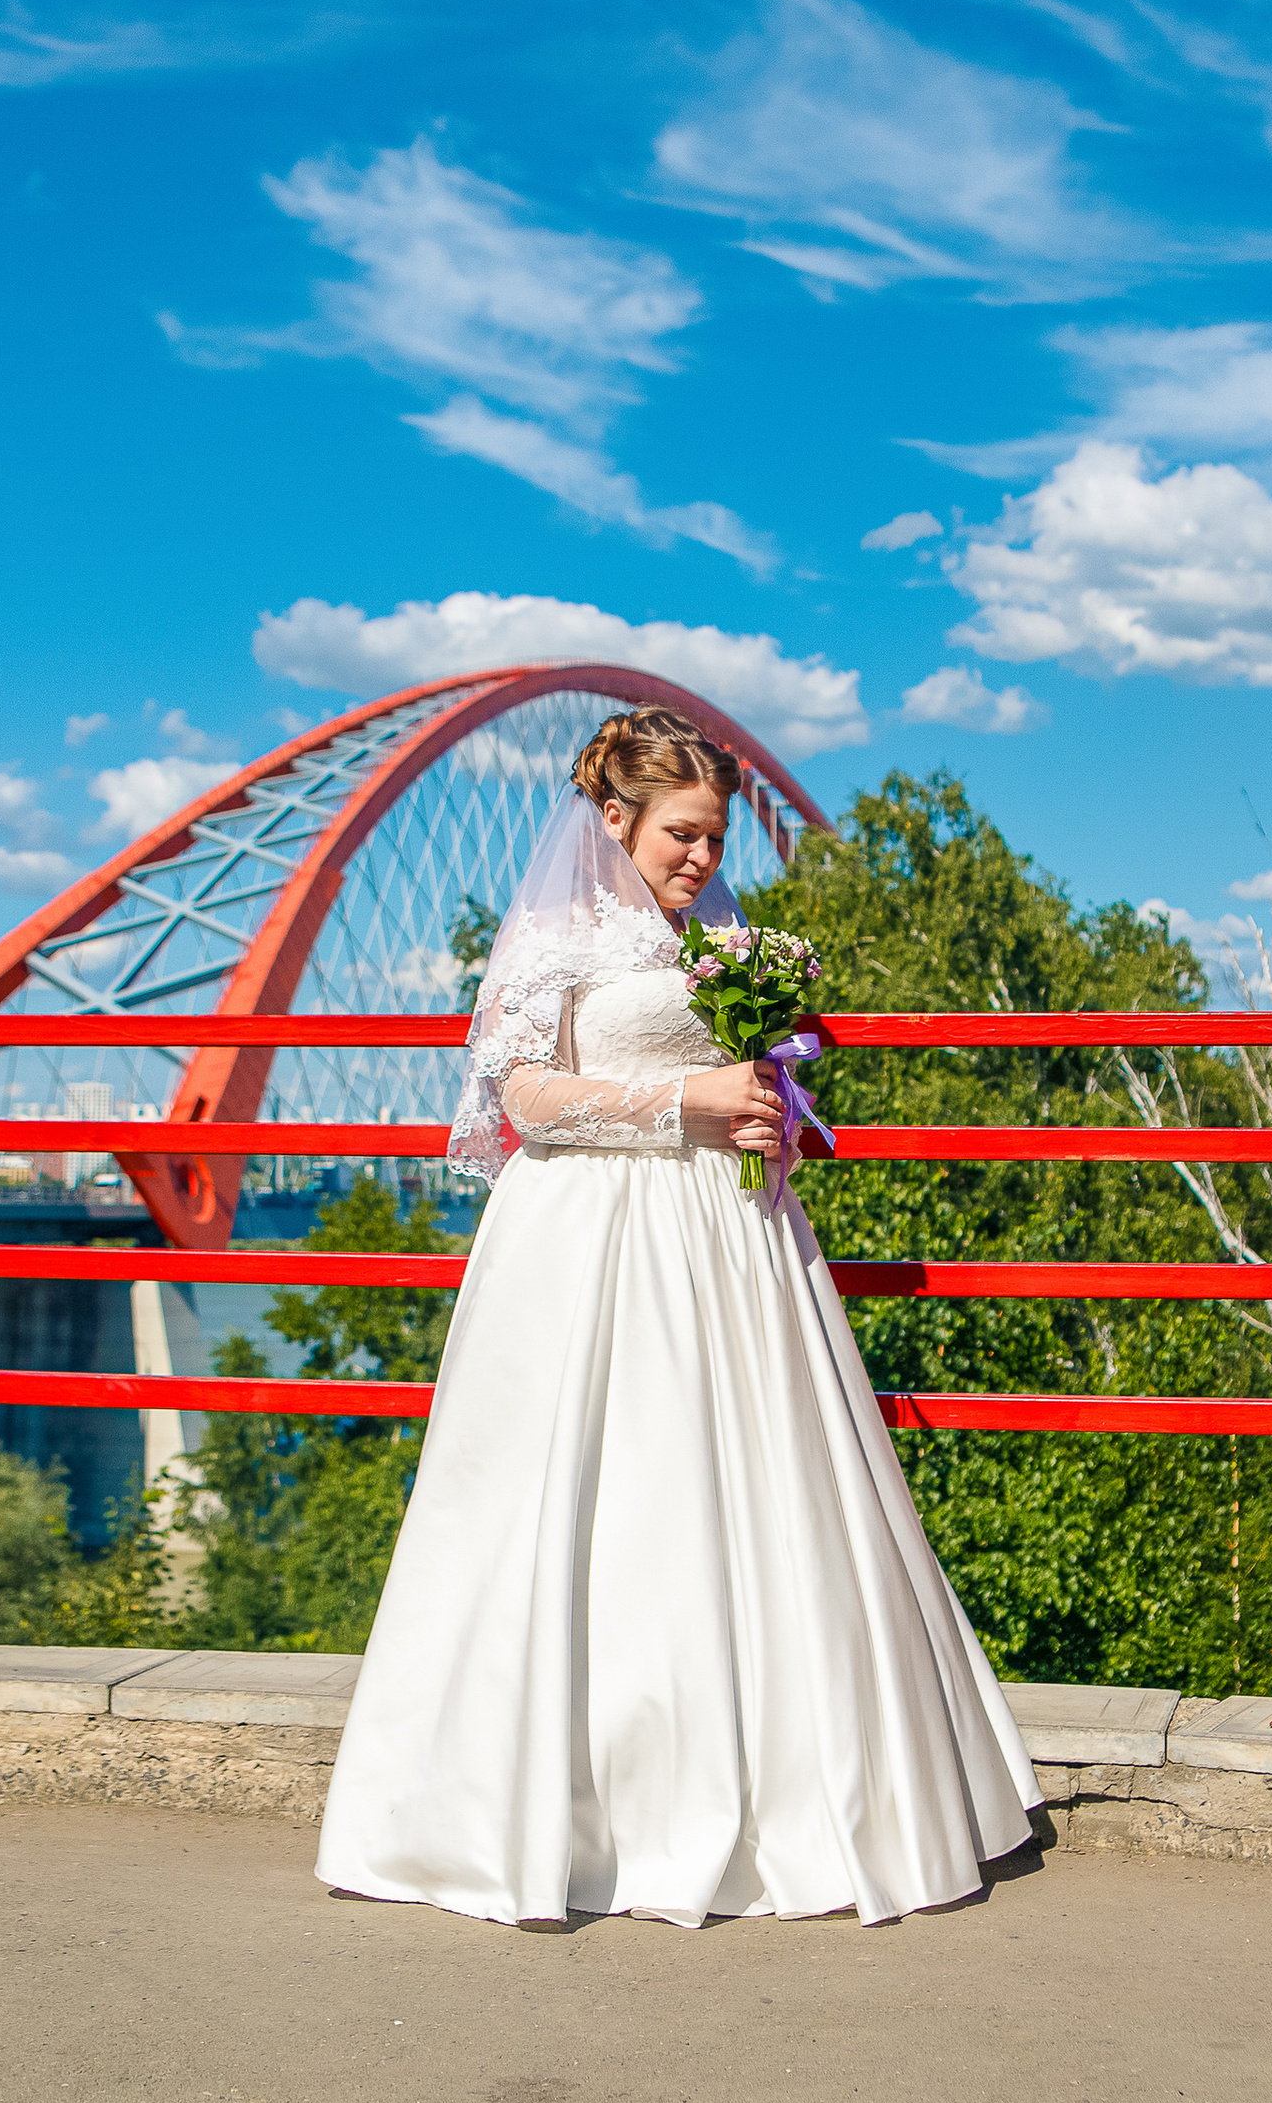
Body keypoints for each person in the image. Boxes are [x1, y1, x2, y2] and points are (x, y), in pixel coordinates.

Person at [314, 704, 1042, 1928]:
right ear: (615, 820)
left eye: (714, 839)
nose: (701, 859)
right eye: (681, 835)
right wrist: (681, 1104)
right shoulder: (554, 935)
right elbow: (522, 1103)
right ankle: (543, 1817)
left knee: (750, 1489)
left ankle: (782, 1797)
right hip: (594, 1241)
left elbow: (753, 1077)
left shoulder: (723, 936)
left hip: (728, 1236)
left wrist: (769, 1118)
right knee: (589, 1496)